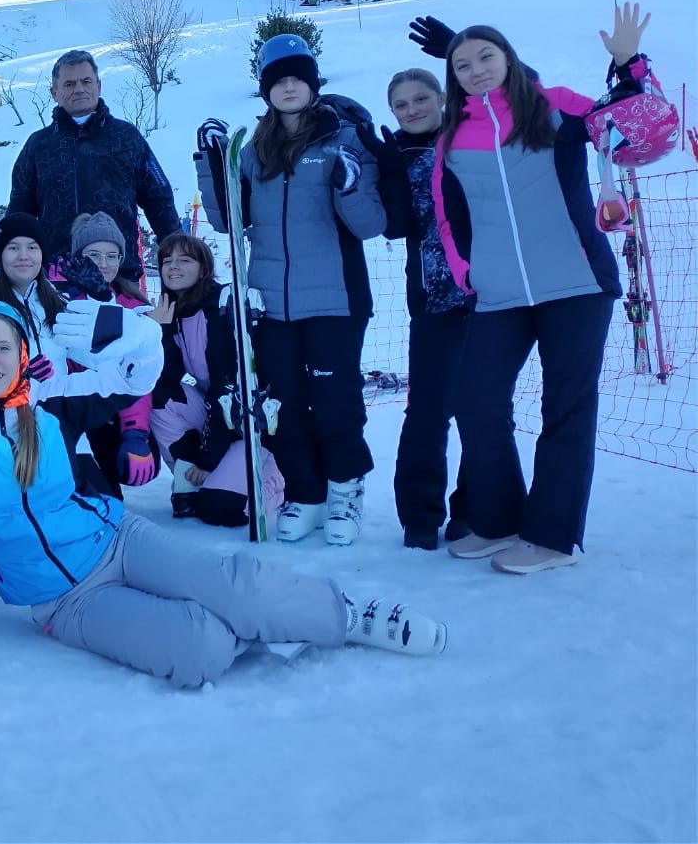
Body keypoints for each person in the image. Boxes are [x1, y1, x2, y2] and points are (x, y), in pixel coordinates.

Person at [0, 298, 447, 689]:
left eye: (2, 346)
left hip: (116, 539)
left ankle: (346, 615)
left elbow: (136, 379)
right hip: (62, 599)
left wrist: (137, 334)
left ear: (21, 350)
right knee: (200, 650)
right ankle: (266, 617)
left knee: (233, 586)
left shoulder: (49, 397)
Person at [432, 4, 658, 574]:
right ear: (452, 75)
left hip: (577, 283)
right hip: (501, 294)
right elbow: (447, 215)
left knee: (567, 408)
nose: (477, 69)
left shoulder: (554, 104)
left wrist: (630, 65)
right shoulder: (453, 136)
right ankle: (500, 518)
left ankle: (551, 536)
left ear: (508, 58)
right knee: (475, 401)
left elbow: (637, 134)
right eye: (463, 64)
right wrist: (466, 273)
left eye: (487, 56)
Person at [194, 35, 387, 546]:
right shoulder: (256, 150)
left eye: (296, 78)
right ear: (266, 91)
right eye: (278, 80)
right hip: (271, 303)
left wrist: (348, 186)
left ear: (312, 84)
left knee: (335, 401)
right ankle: (307, 492)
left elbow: (370, 225)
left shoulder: (344, 141)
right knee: (283, 403)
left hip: (335, 300)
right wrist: (211, 161)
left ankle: (345, 489)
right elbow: (227, 219)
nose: (288, 87)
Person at [376, 61, 475, 550]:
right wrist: (386, 171)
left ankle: (477, 510)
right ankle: (419, 515)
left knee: (483, 409)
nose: (411, 109)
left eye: (420, 98)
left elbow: (514, 98)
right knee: (428, 409)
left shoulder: (470, 135)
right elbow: (391, 225)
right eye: (400, 104)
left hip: (487, 295)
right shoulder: (392, 154)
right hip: (432, 299)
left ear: (441, 97)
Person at [147, 233, 285, 528]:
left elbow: (228, 388)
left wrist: (208, 461)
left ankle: (273, 478)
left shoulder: (220, 306)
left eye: (184, 260)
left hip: (248, 423)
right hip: (220, 416)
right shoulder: (176, 311)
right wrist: (161, 330)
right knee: (158, 396)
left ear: (203, 267)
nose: (173, 267)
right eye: (166, 261)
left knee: (219, 510)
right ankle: (190, 480)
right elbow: (166, 378)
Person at [7, 48, 181, 278]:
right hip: (57, 276)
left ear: (98, 86)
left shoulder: (126, 137)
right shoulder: (39, 145)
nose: (79, 89)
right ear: (54, 92)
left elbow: (159, 199)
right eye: (69, 84)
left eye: (86, 81)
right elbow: (20, 212)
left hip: (119, 273)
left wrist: (180, 252)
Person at [59, 212, 158, 492]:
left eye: (111, 256)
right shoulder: (58, 302)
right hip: (69, 412)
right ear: (78, 256)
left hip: (108, 411)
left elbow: (138, 376)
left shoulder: (132, 307)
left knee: (124, 466)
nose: (103, 264)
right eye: (94, 255)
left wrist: (136, 433)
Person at [0, 212, 68, 375]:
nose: (23, 256)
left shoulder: (59, 303)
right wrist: (16, 381)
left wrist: (101, 297)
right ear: (0, 255)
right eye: (13, 248)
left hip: (60, 399)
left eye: (32, 247)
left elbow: (94, 356)